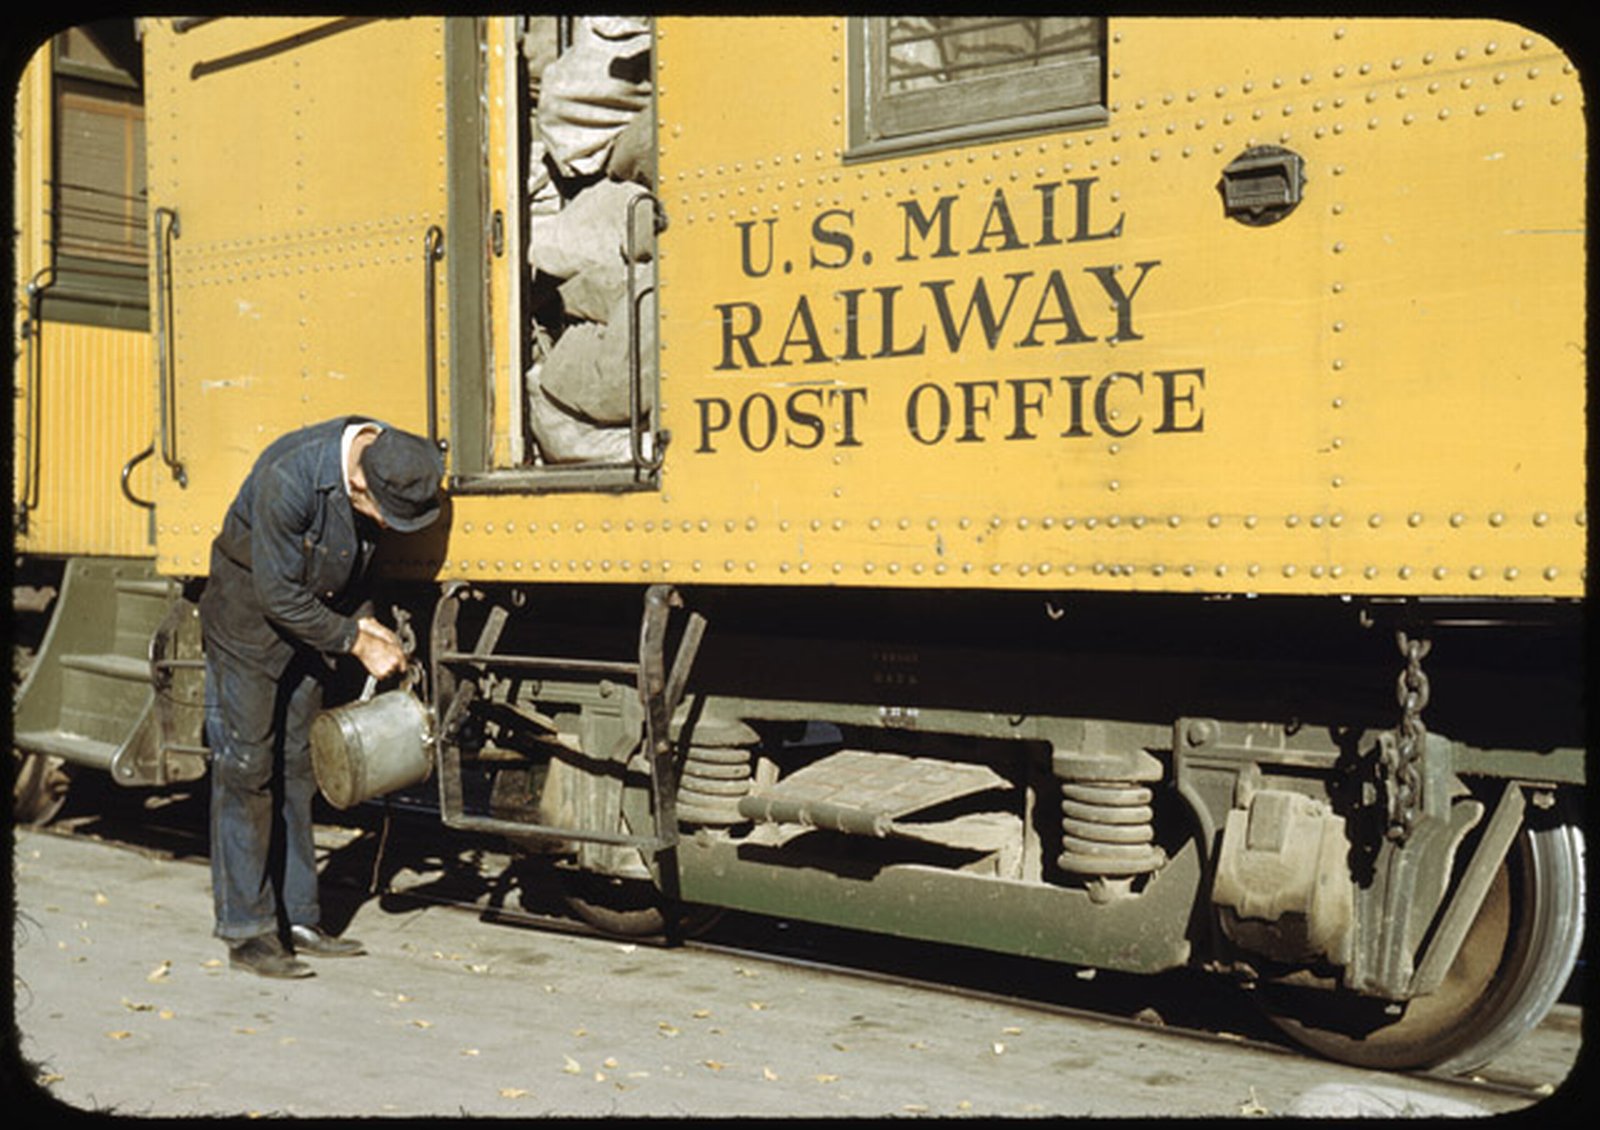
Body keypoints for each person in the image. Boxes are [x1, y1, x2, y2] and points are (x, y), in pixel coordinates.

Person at [199, 417, 444, 978]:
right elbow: (278, 595)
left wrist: (367, 622)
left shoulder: (383, 460)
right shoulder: (291, 477)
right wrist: (355, 640)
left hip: (311, 630)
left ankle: (300, 916)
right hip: (249, 632)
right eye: (387, 516)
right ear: (358, 486)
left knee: (295, 767)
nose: (390, 528)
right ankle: (248, 930)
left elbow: (351, 573)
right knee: (246, 770)